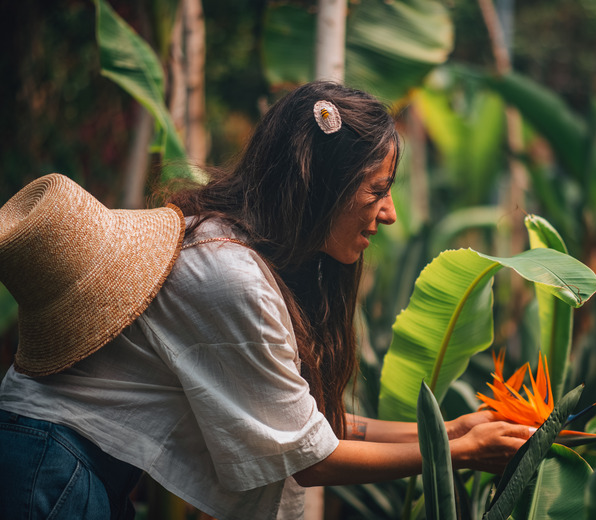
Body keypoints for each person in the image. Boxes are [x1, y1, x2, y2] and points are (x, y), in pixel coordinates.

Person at [0, 81, 532, 520]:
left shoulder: (237, 251)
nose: (390, 213)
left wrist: (453, 429)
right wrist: (457, 452)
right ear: (321, 187)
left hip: (68, 467)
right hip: (51, 470)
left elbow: (301, 421)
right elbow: (309, 456)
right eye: (376, 190)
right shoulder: (230, 278)